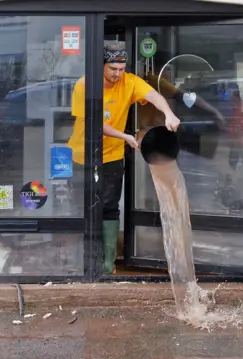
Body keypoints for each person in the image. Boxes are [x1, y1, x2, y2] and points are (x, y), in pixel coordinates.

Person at [67, 43, 181, 275]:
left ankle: (107, 264)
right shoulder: (84, 84)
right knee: (82, 207)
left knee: (109, 208)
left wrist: (169, 113)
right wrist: (125, 136)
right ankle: (82, 262)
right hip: (82, 155)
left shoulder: (129, 82)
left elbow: (154, 95)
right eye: (112, 69)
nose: (117, 74)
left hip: (113, 157)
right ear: (102, 66)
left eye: (121, 68)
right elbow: (93, 123)